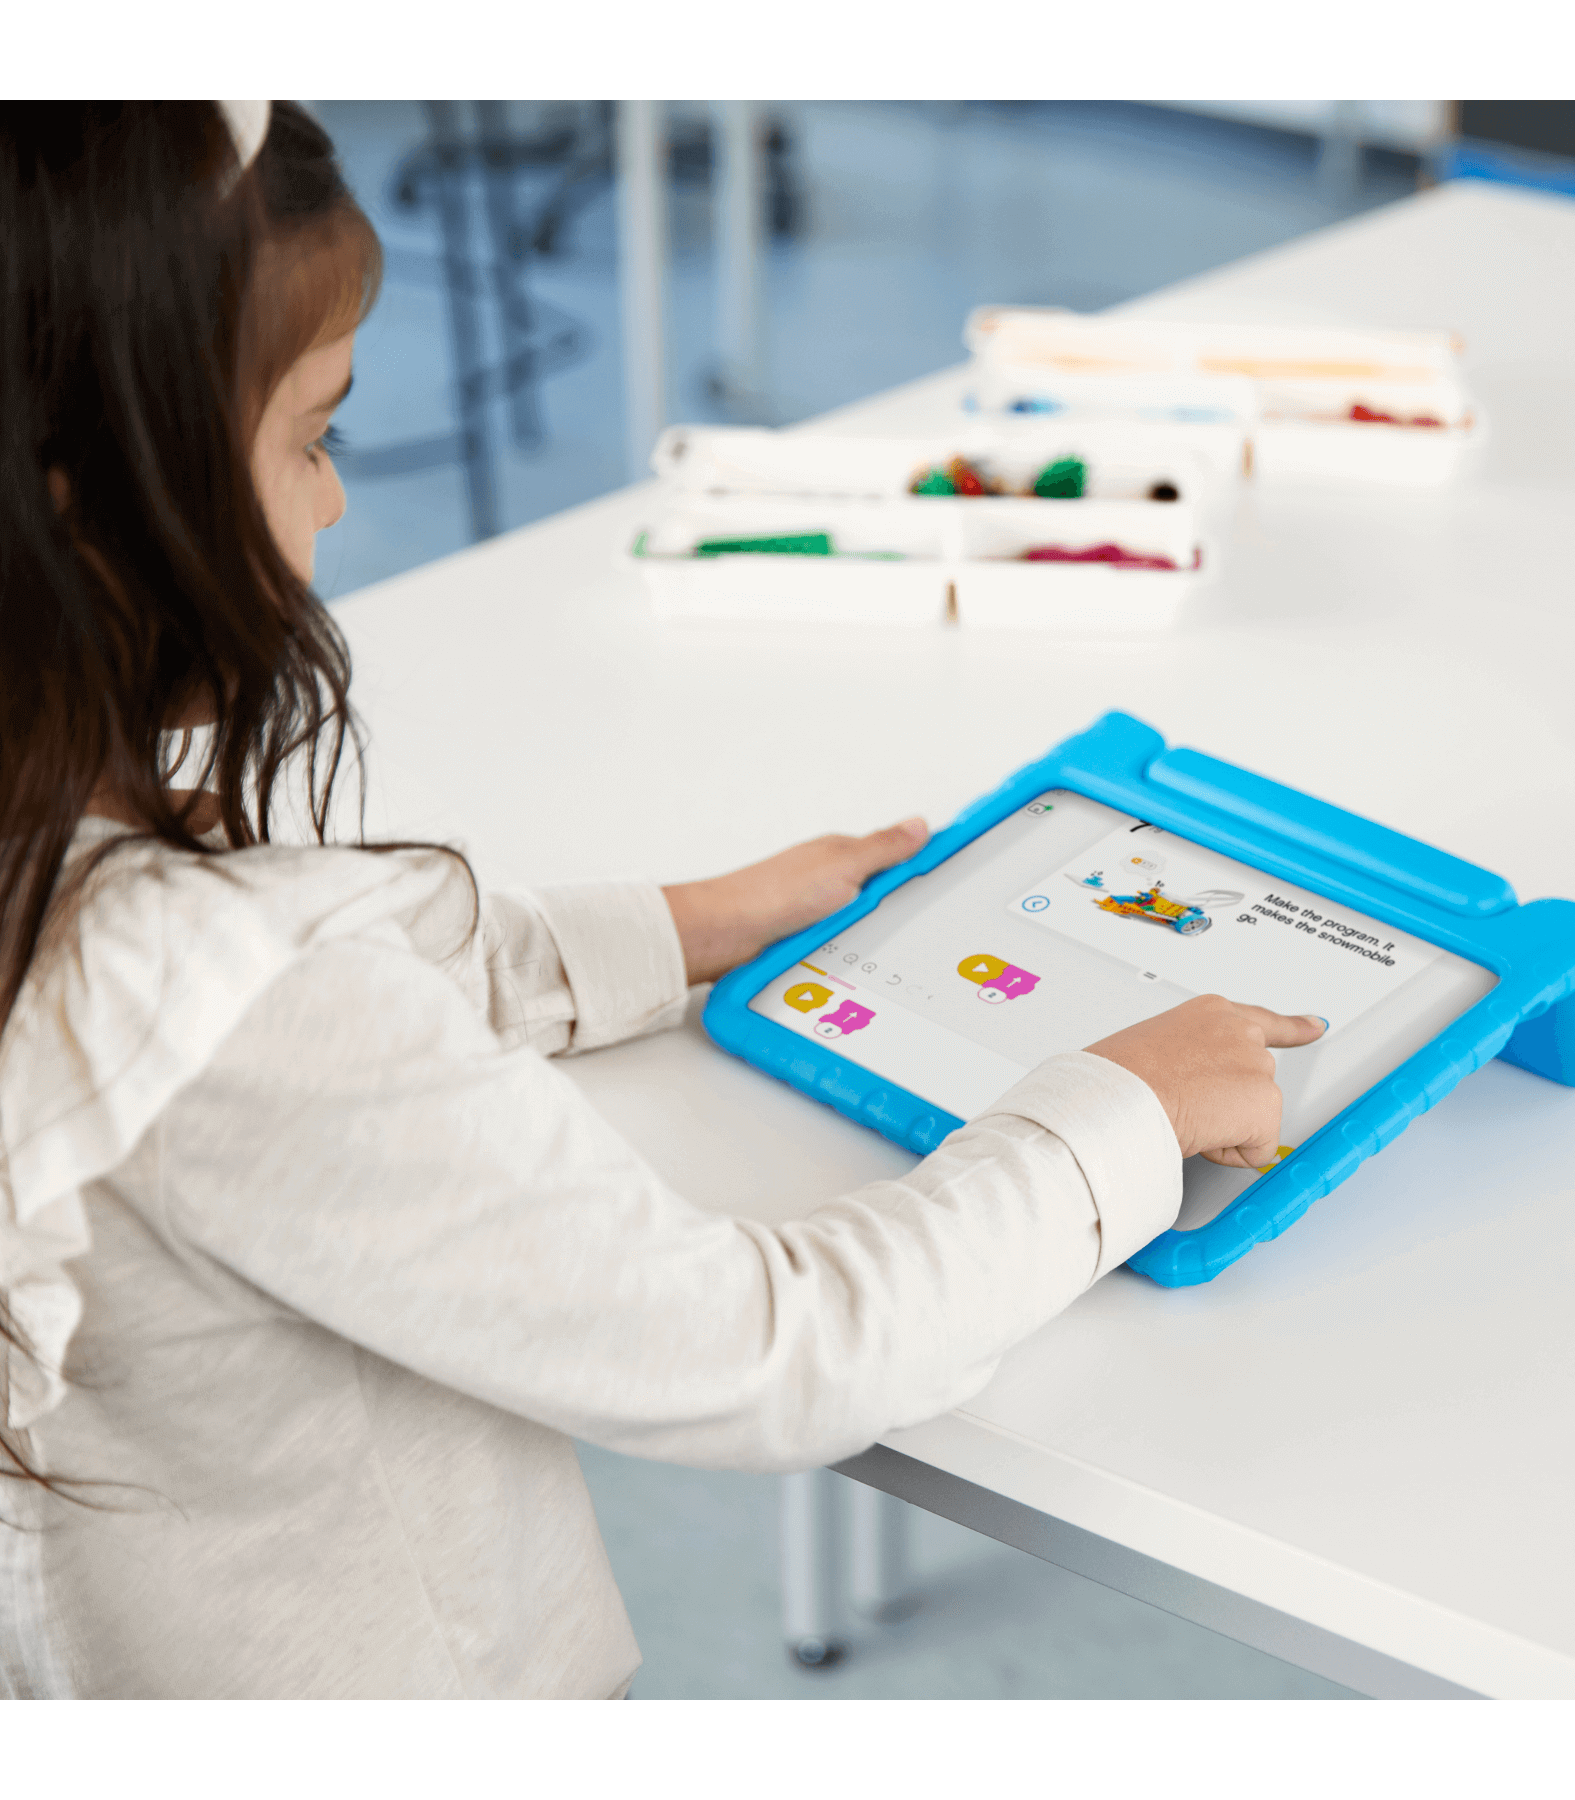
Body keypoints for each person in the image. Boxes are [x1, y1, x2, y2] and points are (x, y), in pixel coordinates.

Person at [0, 100, 1321, 1699]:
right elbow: (768, 1348)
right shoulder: (205, 982)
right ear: (92, 499)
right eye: (313, 436)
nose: (337, 502)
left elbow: (314, 1013)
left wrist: (691, 924)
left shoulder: (53, 848)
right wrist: (1110, 1111)